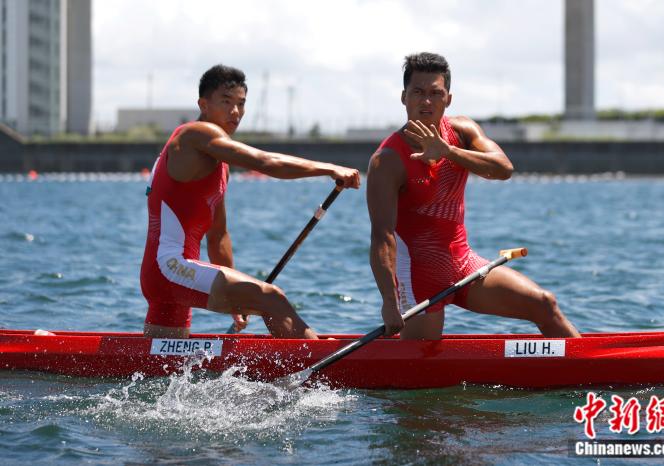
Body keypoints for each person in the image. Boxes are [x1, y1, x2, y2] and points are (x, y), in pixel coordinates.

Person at [366, 52, 580, 340]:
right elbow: (382, 237)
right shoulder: (387, 160)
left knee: (544, 304)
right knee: (422, 367)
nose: (426, 101)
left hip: (464, 266)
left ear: (448, 99)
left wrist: (449, 151)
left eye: (435, 93)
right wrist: (389, 303)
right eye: (418, 92)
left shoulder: (462, 131)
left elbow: (503, 169)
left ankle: (595, 377)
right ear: (404, 97)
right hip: (417, 280)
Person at [141, 64, 361, 339]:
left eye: (241, 104)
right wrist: (330, 169)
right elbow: (265, 162)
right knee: (272, 300)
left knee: (160, 367)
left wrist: (235, 302)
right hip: (171, 269)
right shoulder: (194, 135)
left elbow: (218, 236)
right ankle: (319, 375)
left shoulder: (219, 166)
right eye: (226, 102)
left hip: (169, 276)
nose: (235, 112)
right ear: (203, 104)